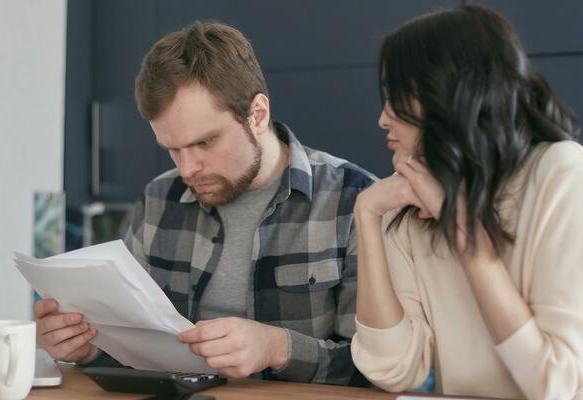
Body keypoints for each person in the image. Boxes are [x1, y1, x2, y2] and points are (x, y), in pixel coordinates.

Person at [33, 21, 374, 386]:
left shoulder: (354, 201)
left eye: (205, 143)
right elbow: (133, 355)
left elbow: (378, 368)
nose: (187, 169)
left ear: (257, 115)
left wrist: (278, 347)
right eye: (172, 150)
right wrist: (87, 348)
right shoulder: (159, 199)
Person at [350, 5, 583, 399]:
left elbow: (559, 384)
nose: (382, 118)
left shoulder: (561, 174)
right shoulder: (407, 198)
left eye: (396, 95)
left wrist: (463, 230)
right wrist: (367, 214)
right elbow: (394, 370)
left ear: (446, 93)